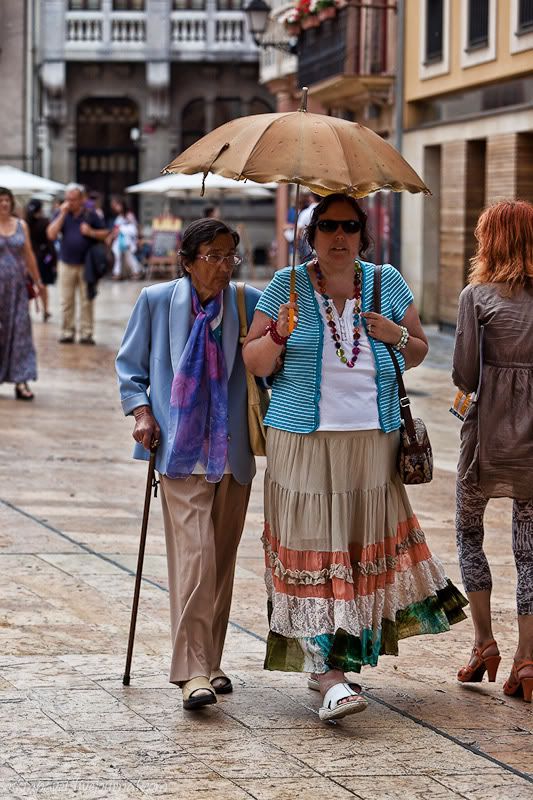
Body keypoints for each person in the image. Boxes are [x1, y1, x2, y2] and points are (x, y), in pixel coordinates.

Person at [242, 193, 467, 721]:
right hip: (303, 441)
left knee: (355, 550)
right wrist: (279, 331)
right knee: (314, 548)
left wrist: (396, 336)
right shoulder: (286, 285)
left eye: (348, 226)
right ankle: (326, 673)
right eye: (327, 227)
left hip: (373, 440)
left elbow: (416, 350)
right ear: (311, 235)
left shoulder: (386, 282)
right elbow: (253, 360)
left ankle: (342, 658)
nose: (338, 236)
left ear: (362, 233)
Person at [116, 218, 261, 710]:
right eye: (213, 257)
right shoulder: (157, 302)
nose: (223, 267)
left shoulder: (248, 303)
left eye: (230, 257)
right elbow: (130, 369)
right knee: (196, 558)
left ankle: (211, 660)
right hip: (180, 451)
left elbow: (268, 367)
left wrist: (276, 338)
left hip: (232, 452)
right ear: (187, 260)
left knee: (219, 564)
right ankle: (192, 671)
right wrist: (140, 412)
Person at [452, 200, 533, 703]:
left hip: (486, 440)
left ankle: (484, 643)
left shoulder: (477, 297)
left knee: (469, 532)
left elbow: (464, 374)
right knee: (531, 554)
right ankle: (529, 658)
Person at [47, 183, 109, 345]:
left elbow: (105, 234)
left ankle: (86, 333)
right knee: (66, 301)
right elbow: (51, 234)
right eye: (68, 199)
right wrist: (61, 214)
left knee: (87, 300)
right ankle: (67, 331)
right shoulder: (61, 213)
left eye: (74, 199)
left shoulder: (91, 215)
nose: (70, 202)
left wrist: (91, 232)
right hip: (66, 263)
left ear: (82, 199)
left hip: (86, 265)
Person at [0, 187, 44, 400]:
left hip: (17, 288)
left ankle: (21, 381)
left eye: (7, 200)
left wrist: (38, 282)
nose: (5, 204)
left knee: (21, 333)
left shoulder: (21, 225)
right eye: (0, 200)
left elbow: (29, 255)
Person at [26, 198, 57, 322]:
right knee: (41, 285)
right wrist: (53, 260)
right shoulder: (44, 222)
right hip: (42, 259)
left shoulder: (25, 222)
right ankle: (45, 310)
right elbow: (50, 243)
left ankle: (27, 311)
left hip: (29, 258)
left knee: (28, 285)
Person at [109, 196, 143, 281]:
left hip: (128, 240)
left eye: (116, 205)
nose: (115, 208)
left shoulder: (129, 215)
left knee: (129, 257)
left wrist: (137, 239)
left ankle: (137, 271)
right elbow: (116, 229)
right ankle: (119, 273)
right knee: (119, 257)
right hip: (120, 240)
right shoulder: (119, 216)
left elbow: (134, 227)